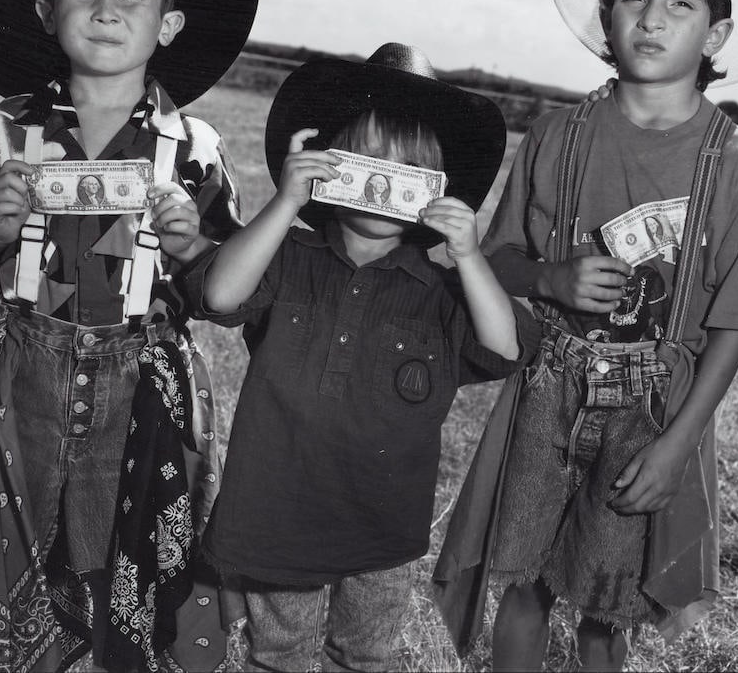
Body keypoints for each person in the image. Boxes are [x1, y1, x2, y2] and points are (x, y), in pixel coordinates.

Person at [433, 0, 738, 670]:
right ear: (606, 16)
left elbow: (732, 324)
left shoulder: (735, 164)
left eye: (679, 2)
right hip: (550, 389)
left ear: (716, 31)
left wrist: (678, 445)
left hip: (655, 405)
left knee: (609, 602)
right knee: (526, 582)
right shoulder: (557, 135)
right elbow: (497, 257)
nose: (653, 18)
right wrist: (549, 279)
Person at [0, 0, 258, 670]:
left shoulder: (196, 149)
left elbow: (226, 293)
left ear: (169, 24)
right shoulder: (5, 130)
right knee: (19, 537)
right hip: (24, 366)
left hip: (142, 384)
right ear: (46, 12)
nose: (106, 10)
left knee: (123, 551)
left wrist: (189, 245)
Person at [177, 42, 538, 672]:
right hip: (277, 511)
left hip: (383, 529)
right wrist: (284, 201)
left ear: (437, 188)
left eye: (405, 170)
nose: (380, 180)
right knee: (277, 653)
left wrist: (470, 256)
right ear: (326, 166)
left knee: (366, 656)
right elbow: (218, 291)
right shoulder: (286, 256)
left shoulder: (444, 290)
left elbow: (506, 346)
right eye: (363, 160)